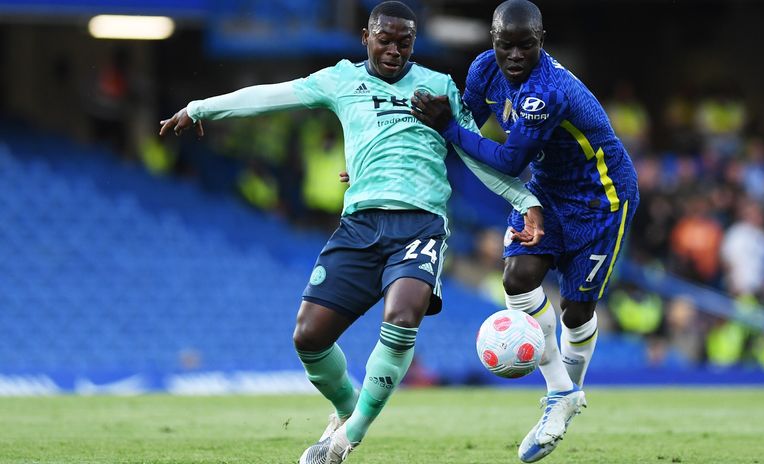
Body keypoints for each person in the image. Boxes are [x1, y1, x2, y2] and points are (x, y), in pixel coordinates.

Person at [159, 2, 544, 463]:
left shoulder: (438, 87)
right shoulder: (341, 80)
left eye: (405, 41)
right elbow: (271, 94)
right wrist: (201, 108)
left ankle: (344, 441)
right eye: (385, 39)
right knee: (308, 337)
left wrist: (526, 200)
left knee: (402, 316)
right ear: (366, 36)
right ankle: (346, 407)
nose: (395, 50)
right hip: (360, 224)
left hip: (420, 224)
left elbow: (473, 153)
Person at [410, 0, 639, 461]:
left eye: (526, 46)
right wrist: (392, 166)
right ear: (491, 42)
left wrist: (451, 129)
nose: (514, 55)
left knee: (576, 310)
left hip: (602, 198)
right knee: (516, 278)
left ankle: (567, 390)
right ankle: (561, 395)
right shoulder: (483, 71)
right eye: (505, 46)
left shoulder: (547, 90)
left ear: (541, 41)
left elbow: (506, 159)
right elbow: (463, 129)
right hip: (548, 191)